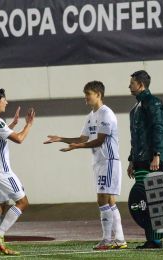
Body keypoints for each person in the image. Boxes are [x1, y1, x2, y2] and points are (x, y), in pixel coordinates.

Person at [44, 81, 127, 250]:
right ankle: (119, 239)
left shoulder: (106, 113)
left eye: (87, 94)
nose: (85, 98)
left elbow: (100, 140)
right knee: (109, 200)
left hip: (109, 161)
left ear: (98, 94)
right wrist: (61, 139)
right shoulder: (91, 116)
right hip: (99, 162)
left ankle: (107, 239)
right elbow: (83, 139)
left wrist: (78, 147)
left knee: (102, 199)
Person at [127, 70, 163, 249]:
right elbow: (135, 138)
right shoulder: (135, 109)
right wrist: (131, 161)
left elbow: (158, 129)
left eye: (132, 83)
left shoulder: (153, 103)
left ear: (140, 84)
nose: (129, 86)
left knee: (162, 199)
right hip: (140, 161)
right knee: (147, 202)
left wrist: (157, 155)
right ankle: (153, 240)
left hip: (151, 159)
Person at [0, 88, 35, 255]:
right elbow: (19, 139)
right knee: (23, 202)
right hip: (2, 171)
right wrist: (29, 124)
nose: (6, 102)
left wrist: (13, 124)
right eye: (4, 99)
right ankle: (0, 234)